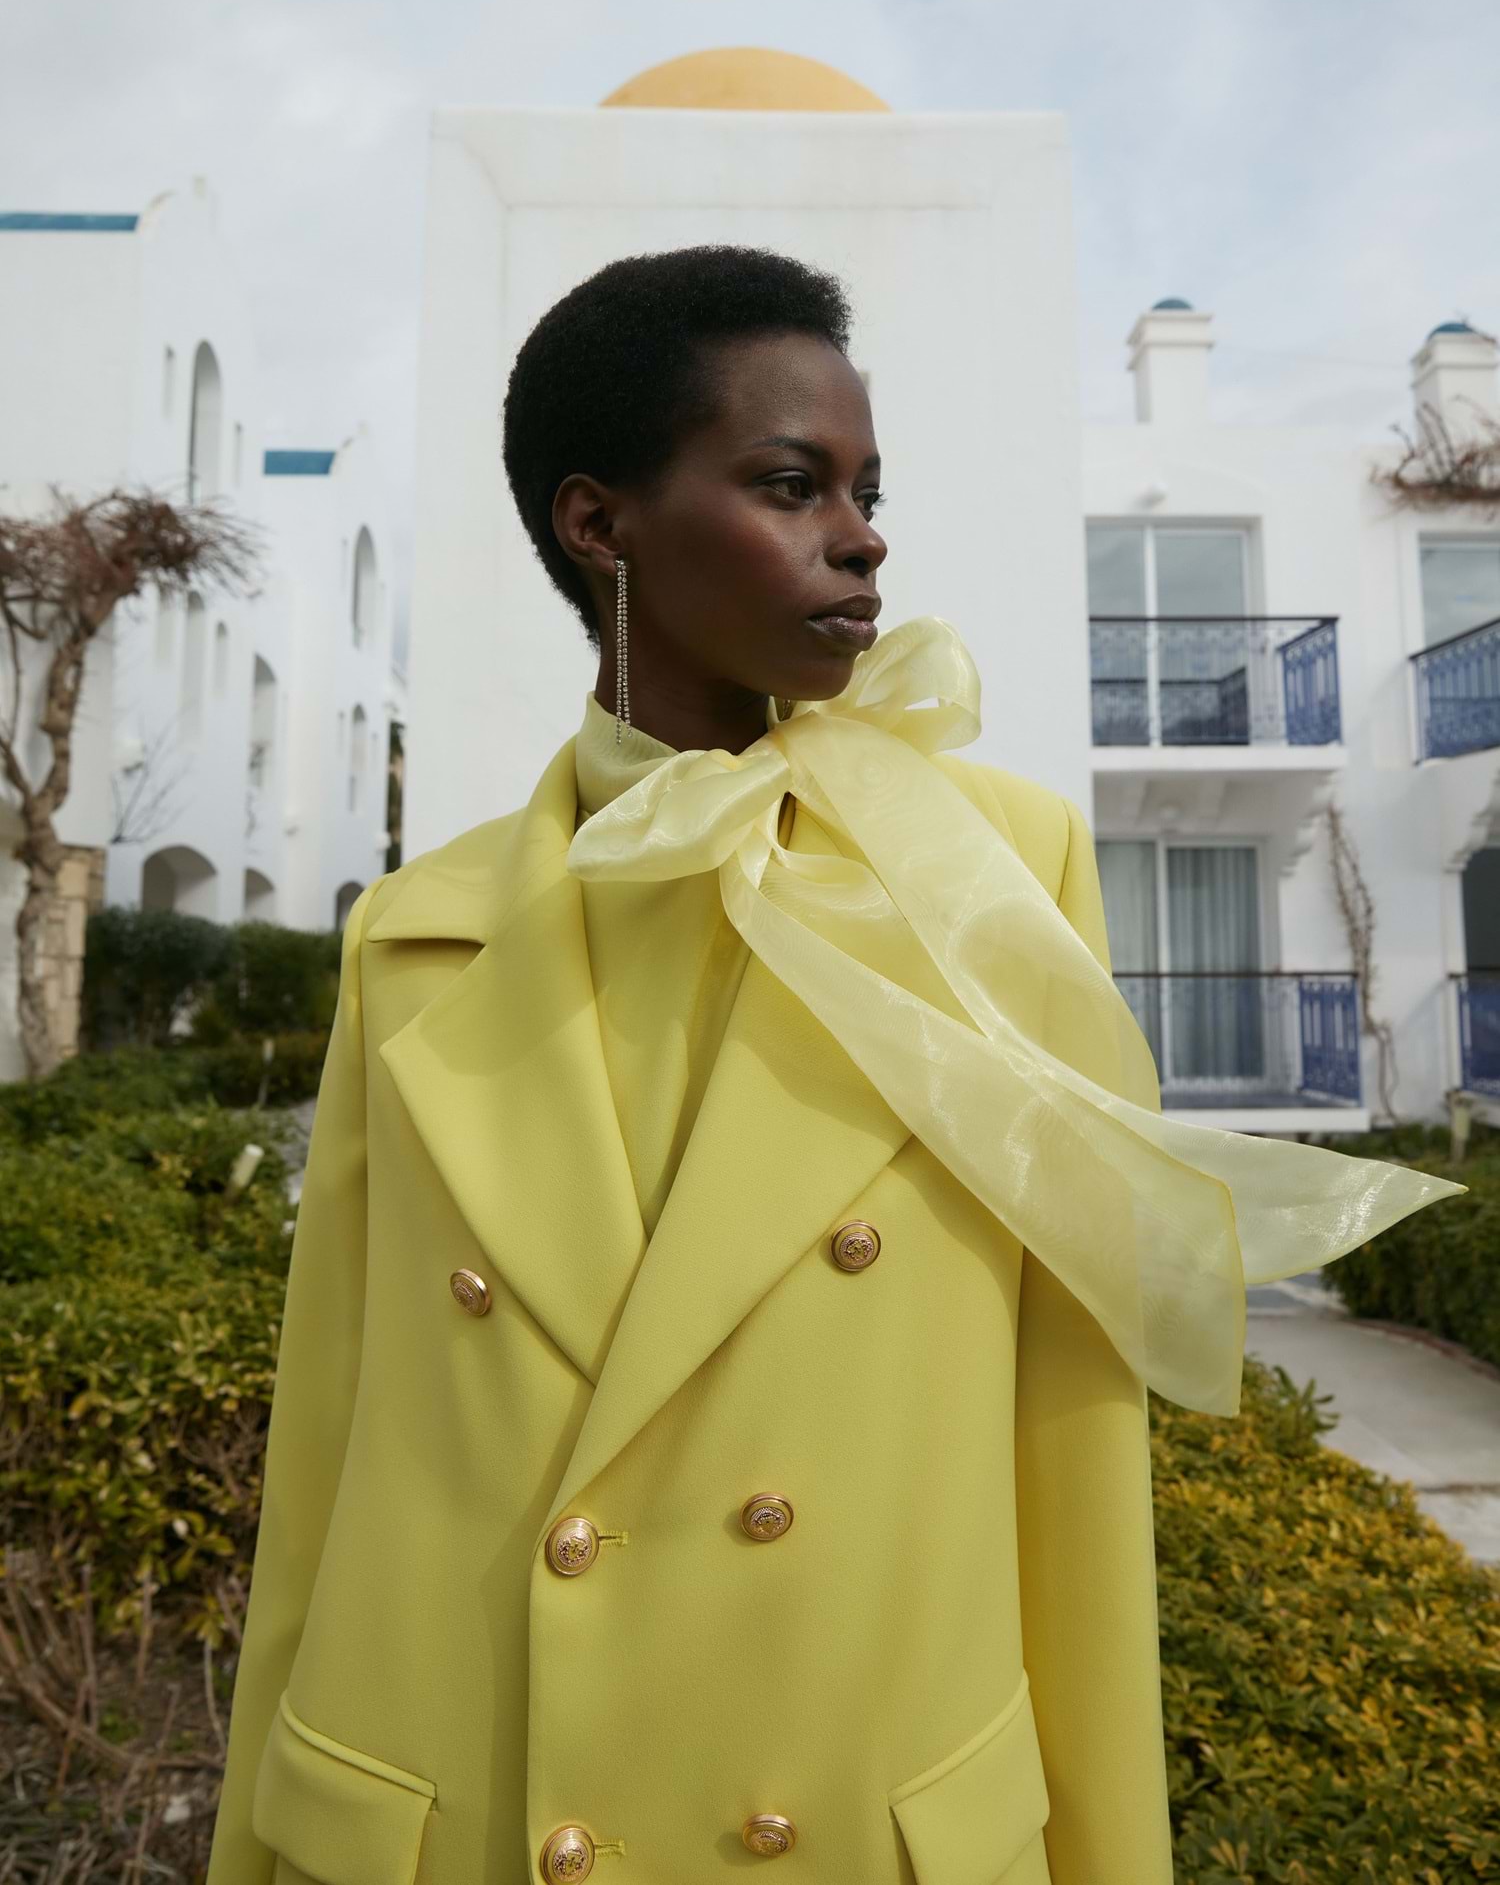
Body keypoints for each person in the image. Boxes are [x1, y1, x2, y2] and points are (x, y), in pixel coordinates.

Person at [206, 245, 1463, 1885]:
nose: (862, 535)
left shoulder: (991, 879)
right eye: (793, 484)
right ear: (600, 526)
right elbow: (328, 1455)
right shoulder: (412, 937)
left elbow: (1071, 1435)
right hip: (454, 1817)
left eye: (869, 492)